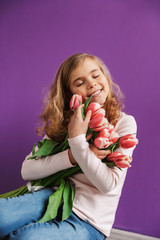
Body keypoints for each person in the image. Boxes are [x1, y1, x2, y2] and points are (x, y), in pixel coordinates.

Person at [0, 53, 137, 240]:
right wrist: (72, 155)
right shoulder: (66, 122)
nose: (91, 84)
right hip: (50, 199)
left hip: (88, 221)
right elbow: (27, 170)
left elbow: (108, 185)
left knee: (25, 238)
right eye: (79, 83)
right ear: (69, 94)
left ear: (105, 77)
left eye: (96, 75)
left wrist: (79, 141)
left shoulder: (124, 123)